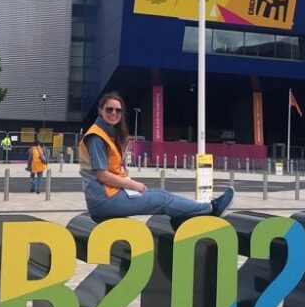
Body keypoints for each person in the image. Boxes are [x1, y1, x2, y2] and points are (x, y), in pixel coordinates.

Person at [80, 92, 234, 223]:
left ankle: (193, 212)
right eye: (109, 109)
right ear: (100, 111)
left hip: (109, 195)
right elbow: (102, 175)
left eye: (118, 111)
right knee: (162, 200)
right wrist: (133, 184)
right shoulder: (96, 137)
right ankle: (211, 209)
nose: (114, 113)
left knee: (163, 195)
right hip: (104, 200)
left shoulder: (107, 133)